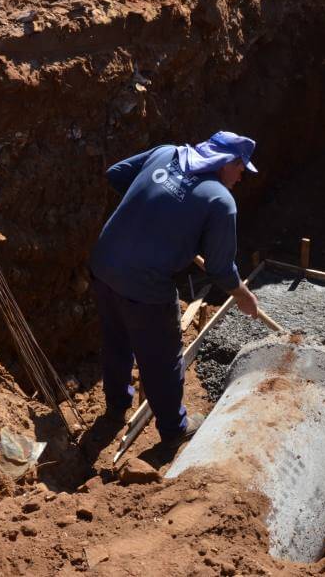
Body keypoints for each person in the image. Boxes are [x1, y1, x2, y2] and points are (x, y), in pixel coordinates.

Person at [88, 131, 260, 446]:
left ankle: (116, 408)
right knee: (162, 358)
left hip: (104, 264)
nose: (240, 177)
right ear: (228, 163)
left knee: (116, 339)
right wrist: (244, 296)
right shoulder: (220, 201)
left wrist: (154, 209)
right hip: (145, 286)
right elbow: (220, 268)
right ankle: (173, 428)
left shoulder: (166, 153)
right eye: (241, 169)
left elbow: (116, 175)